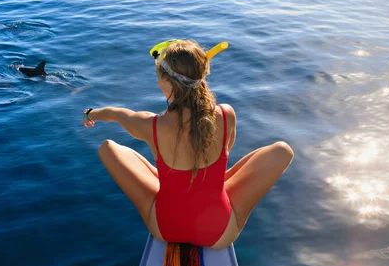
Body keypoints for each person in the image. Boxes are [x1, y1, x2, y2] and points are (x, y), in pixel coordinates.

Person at [82, 39, 293, 249]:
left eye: (159, 78)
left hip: (165, 229)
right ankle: (207, 186)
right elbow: (226, 150)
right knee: (282, 151)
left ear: (168, 83)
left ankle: (172, 180)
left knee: (108, 148)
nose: (157, 83)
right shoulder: (226, 114)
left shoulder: (151, 125)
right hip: (219, 234)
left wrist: (91, 113)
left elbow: (117, 114)